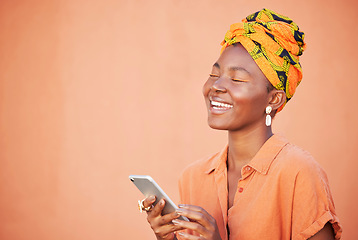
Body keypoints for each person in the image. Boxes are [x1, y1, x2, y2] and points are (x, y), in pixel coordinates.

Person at [138, 8, 342, 240]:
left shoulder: (300, 173)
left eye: (237, 79)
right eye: (214, 75)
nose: (217, 86)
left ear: (274, 99)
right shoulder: (193, 177)